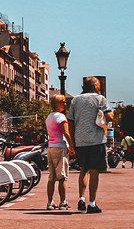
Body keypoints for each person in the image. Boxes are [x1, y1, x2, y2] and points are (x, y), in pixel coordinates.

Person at [66, 76, 113, 214]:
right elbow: (109, 117)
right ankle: (92, 203)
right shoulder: (100, 99)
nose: (99, 87)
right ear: (94, 86)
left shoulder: (75, 100)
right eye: (98, 85)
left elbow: (70, 122)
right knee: (94, 172)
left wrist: (73, 142)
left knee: (83, 170)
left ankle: (81, 199)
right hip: (96, 140)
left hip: (80, 140)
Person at [44, 95, 74, 210]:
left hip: (51, 148)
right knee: (62, 178)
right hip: (60, 148)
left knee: (51, 178)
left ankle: (50, 202)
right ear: (57, 104)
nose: (65, 104)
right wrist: (72, 146)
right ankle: (63, 202)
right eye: (63, 102)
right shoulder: (61, 117)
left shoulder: (49, 117)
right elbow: (66, 133)